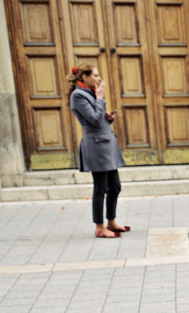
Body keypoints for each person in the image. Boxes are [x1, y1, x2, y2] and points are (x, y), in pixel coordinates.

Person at [68, 63, 128, 238]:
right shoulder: (78, 96)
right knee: (100, 188)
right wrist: (100, 99)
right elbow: (93, 119)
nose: (98, 78)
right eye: (95, 75)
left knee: (115, 187)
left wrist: (108, 118)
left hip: (106, 144)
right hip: (96, 146)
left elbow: (99, 117)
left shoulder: (89, 93)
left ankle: (111, 221)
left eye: (98, 75)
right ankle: (99, 227)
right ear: (84, 77)